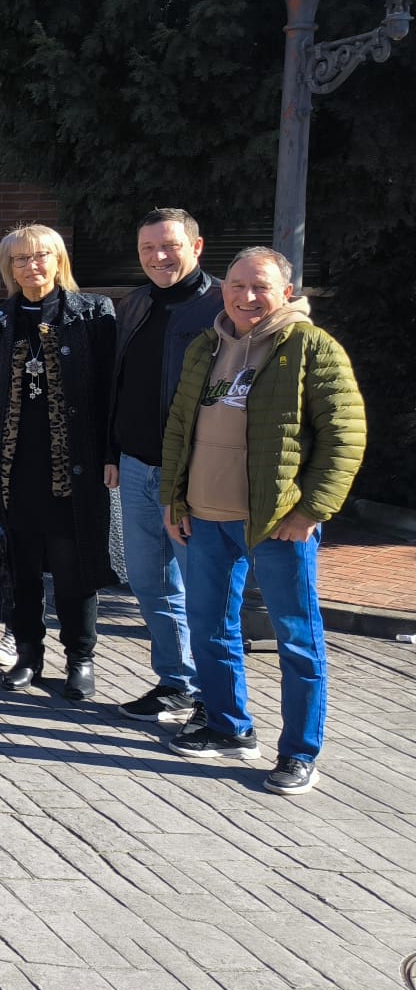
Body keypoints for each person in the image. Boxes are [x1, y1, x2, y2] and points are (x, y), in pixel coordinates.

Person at [160, 248, 365, 794]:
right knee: (209, 628)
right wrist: (173, 500)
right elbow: (180, 428)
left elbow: (344, 438)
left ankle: (299, 752)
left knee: (297, 641)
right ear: (222, 288)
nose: (246, 297)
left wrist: (310, 512)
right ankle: (228, 726)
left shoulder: (312, 347)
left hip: (277, 524)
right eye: (236, 285)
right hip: (204, 519)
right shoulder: (207, 346)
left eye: (260, 287)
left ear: (286, 291)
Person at [0, 225, 116, 700]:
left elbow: (109, 393)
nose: (32, 266)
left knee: (73, 567)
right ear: (8, 268)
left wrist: (111, 455)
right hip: (12, 468)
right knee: (19, 568)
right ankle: (28, 654)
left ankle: (80, 659)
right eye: (21, 260)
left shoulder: (93, 314)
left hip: (72, 467)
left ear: (59, 259)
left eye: (41, 256)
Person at [109, 208, 223, 724]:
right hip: (135, 466)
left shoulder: (223, 306)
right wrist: (111, 452)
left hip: (192, 473)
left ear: (196, 248)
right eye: (147, 248)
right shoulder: (134, 305)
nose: (158, 257)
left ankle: (213, 696)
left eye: (169, 246)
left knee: (201, 587)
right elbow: (118, 385)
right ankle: (175, 681)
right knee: (148, 582)